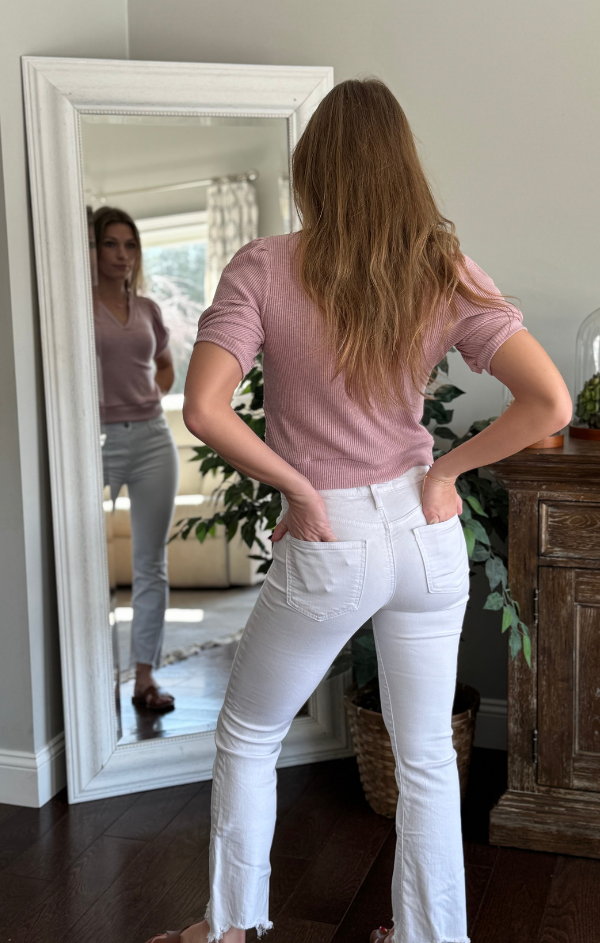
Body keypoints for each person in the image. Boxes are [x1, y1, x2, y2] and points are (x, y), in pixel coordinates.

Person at [146, 79, 572, 943]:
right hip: (426, 532)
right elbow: (551, 403)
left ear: (312, 168)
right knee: (427, 756)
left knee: (249, 731)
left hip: (332, 534)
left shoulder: (265, 265)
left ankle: (228, 931)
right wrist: (446, 471)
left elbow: (205, 409)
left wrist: (300, 488)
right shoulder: (442, 267)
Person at [93, 206, 179, 713]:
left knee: (151, 563)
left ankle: (145, 678)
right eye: (111, 243)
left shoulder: (146, 308)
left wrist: (149, 396)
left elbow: (165, 367)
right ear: (92, 248)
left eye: (130, 245)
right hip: (93, 443)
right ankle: (88, 679)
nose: (122, 254)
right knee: (83, 560)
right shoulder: (74, 306)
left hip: (152, 439)